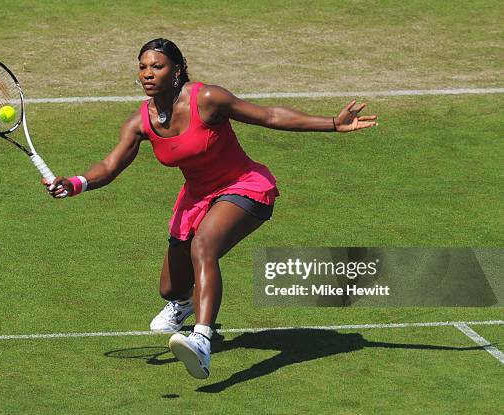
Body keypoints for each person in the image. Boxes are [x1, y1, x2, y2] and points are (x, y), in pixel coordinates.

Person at [44, 38, 378, 379]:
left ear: (177, 72)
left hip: (243, 186)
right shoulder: (140, 123)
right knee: (170, 288)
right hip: (196, 197)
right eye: (142, 67)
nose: (148, 73)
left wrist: (333, 124)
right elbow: (110, 166)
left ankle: (201, 339)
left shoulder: (207, 99)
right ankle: (185, 303)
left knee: (204, 247)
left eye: (157, 67)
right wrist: (75, 183)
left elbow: (269, 115)